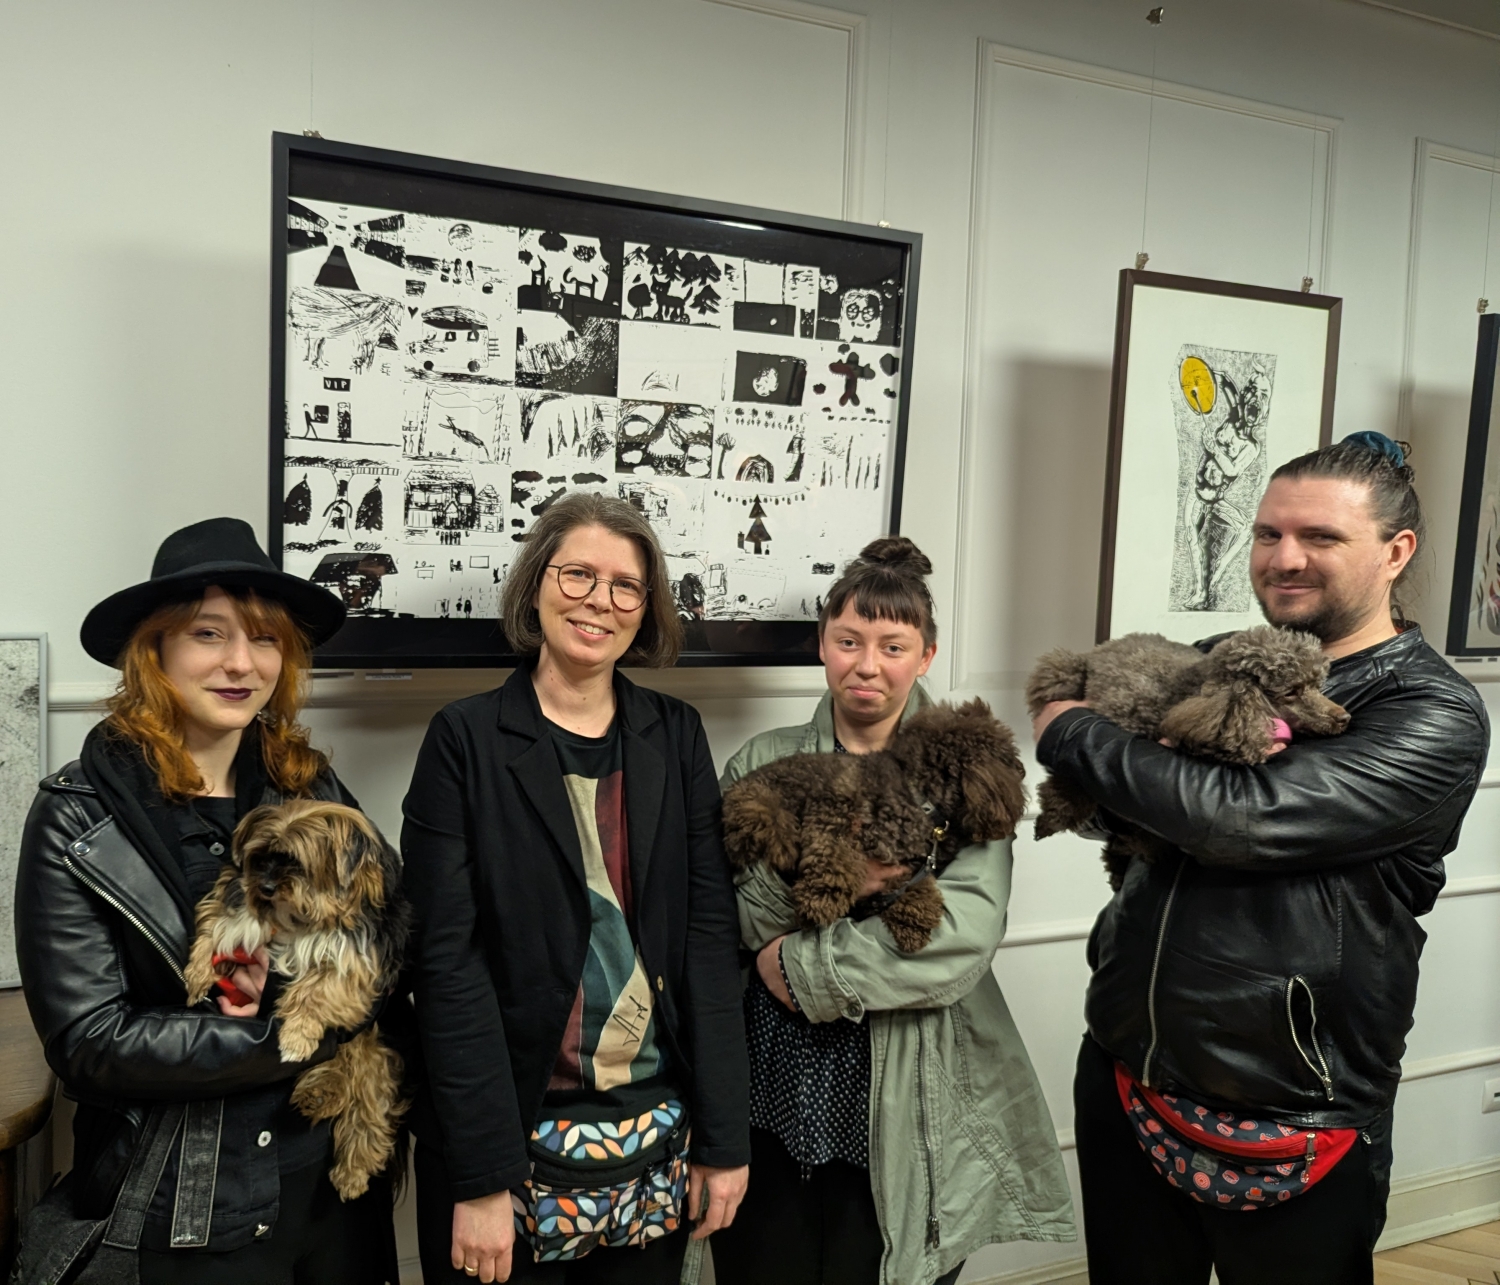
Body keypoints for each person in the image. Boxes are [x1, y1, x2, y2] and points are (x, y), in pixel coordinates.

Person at [1032, 433, 1490, 1284]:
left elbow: (1237, 821)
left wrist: (1070, 729)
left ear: (1396, 552)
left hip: (1298, 1110)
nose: (1285, 558)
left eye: (1320, 536)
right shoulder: (1218, 657)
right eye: (1268, 532)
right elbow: (1117, 816)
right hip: (1129, 1069)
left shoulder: (1429, 710)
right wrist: (1137, 782)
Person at [16, 516, 401, 1284]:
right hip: (186, 1195)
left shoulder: (310, 785)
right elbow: (93, 1042)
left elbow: (390, 931)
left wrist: (333, 1003)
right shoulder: (79, 817)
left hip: (331, 1184)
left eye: (263, 638)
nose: (241, 662)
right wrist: (292, 1034)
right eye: (208, 634)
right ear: (155, 649)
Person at [401, 492, 750, 1285]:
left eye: (626, 585)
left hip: (654, 1139)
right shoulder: (464, 739)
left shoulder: (676, 735)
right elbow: (446, 968)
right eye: (578, 575)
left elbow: (707, 943)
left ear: (646, 609)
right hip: (510, 1140)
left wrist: (725, 1141)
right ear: (536, 585)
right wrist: (481, 1178)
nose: (600, 600)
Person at [713, 537, 1076, 1285]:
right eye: (848, 641)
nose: (866, 665)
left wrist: (799, 961)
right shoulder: (761, 760)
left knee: (884, 1258)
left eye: (892, 646)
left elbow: (961, 934)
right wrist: (866, 886)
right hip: (770, 1078)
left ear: (926, 654)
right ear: (822, 644)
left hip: (912, 1082)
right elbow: (733, 911)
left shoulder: (969, 770)